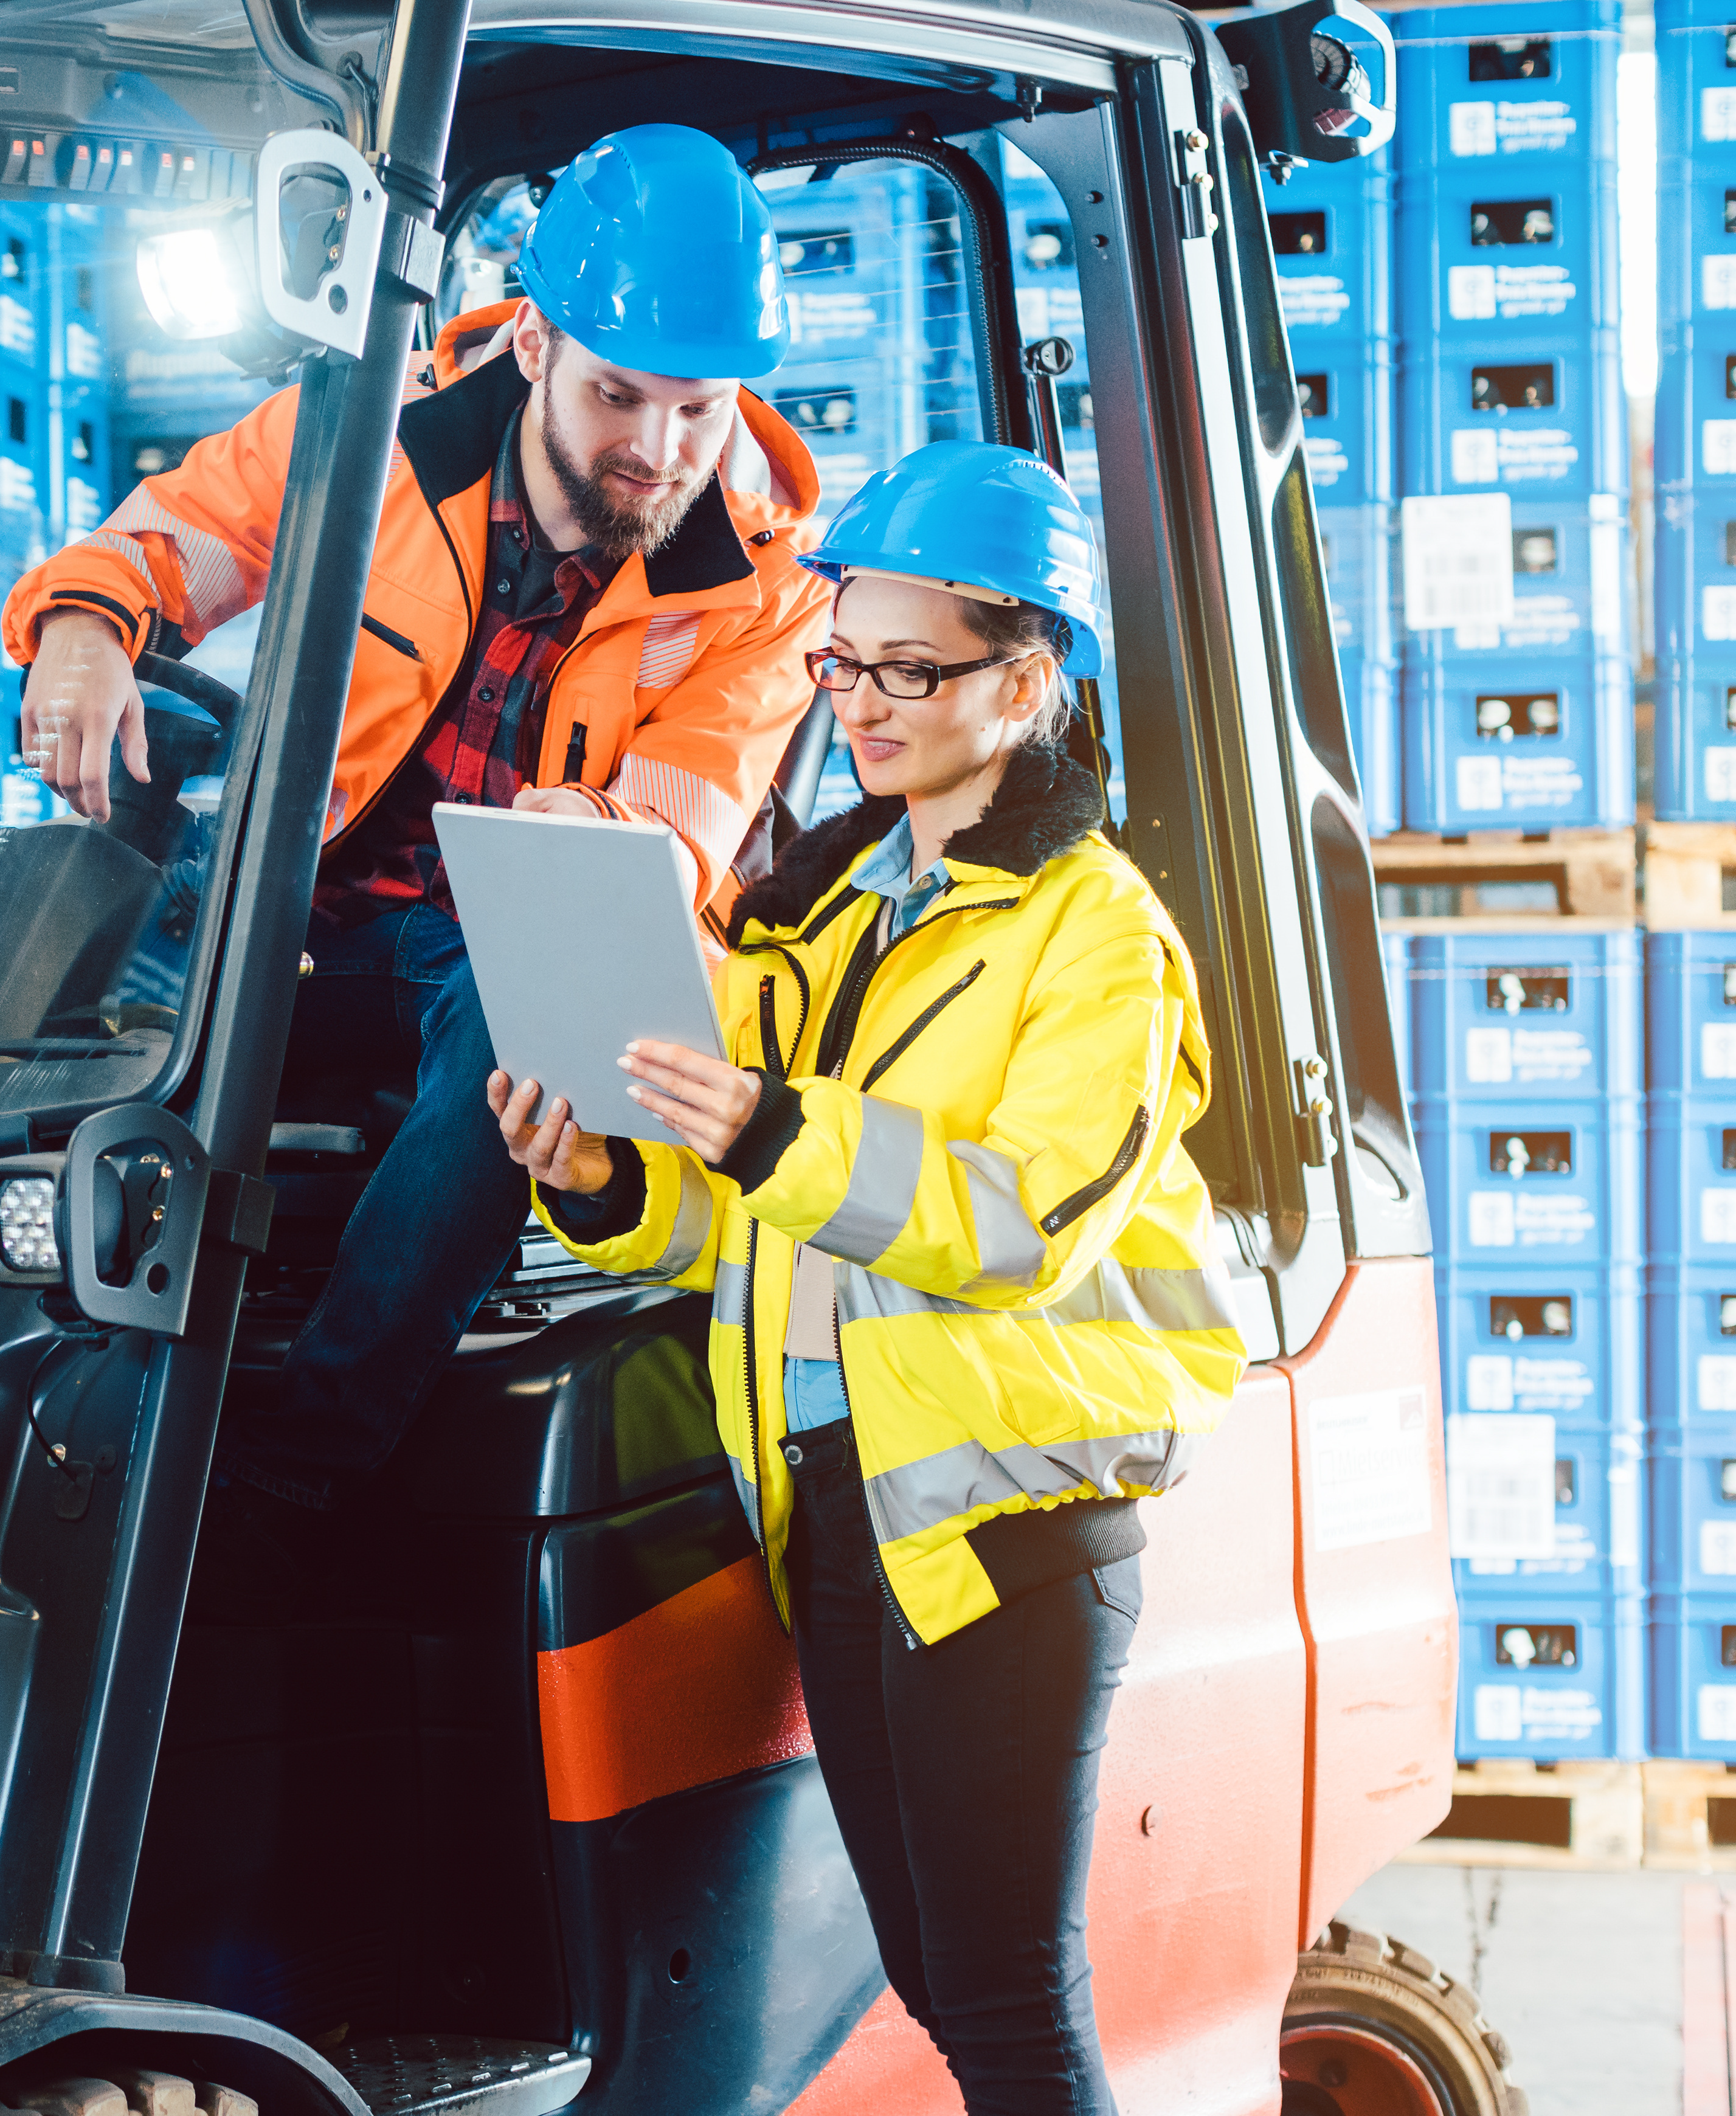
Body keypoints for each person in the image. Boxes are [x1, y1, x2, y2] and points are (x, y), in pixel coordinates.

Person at [489, 440, 1247, 2115]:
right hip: (834, 1506)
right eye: (844, 660)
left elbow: (1016, 1221)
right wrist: (608, 1180)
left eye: (911, 669)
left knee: (1000, 1997)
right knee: (932, 1977)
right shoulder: (832, 918)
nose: (861, 702)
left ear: (1028, 674)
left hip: (1004, 1528)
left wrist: (771, 1131)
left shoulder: (1093, 934)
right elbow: (759, 1218)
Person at [0, 125, 834, 1510]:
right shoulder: (361, 432)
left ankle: (305, 1463)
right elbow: (174, 536)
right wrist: (84, 626)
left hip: (493, 955)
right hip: (290, 916)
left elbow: (660, 840)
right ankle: (40, 1381)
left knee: (524, 1026)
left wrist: (540, 846)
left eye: (699, 410)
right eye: (619, 397)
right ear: (534, 351)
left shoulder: (764, 600)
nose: (656, 450)